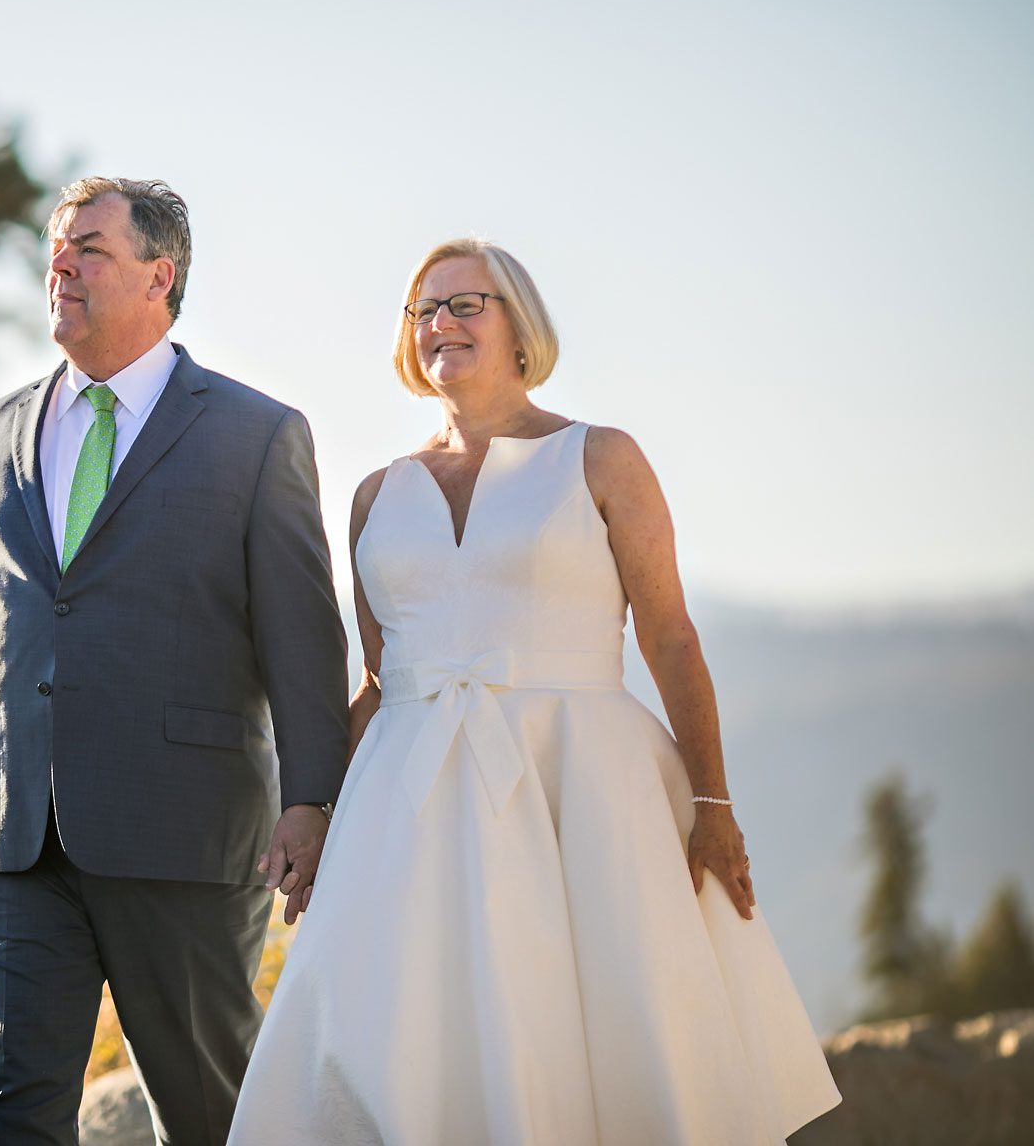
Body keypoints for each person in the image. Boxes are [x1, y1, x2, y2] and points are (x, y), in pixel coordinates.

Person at [227, 238, 842, 1144]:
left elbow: (670, 639)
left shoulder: (602, 459)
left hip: (588, 792)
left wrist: (713, 802)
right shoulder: (374, 496)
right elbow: (377, 674)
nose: (441, 322)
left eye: (465, 303)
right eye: (423, 310)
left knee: (610, 1026)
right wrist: (312, 804)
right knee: (397, 1036)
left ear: (521, 324)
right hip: (412, 807)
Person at [0, 177, 349, 1146]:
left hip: (188, 832)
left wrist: (315, 798)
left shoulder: (256, 436)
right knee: (6, 1107)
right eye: (55, 247)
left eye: (88, 247)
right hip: (15, 830)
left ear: (159, 276)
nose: (61, 263)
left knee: (211, 1108)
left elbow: (302, 631)